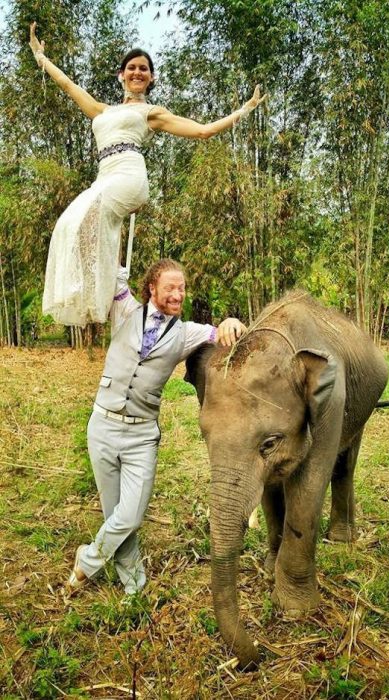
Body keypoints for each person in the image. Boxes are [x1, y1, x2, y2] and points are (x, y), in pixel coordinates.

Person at [29, 22, 266, 327]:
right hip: (104, 176)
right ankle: (111, 290)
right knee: (68, 223)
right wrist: (40, 57)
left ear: (151, 77)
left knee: (89, 212)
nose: (137, 72)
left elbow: (203, 131)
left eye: (143, 68)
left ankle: (108, 288)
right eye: (131, 67)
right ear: (121, 75)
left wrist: (243, 111)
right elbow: (68, 85)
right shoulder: (102, 111)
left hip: (128, 174)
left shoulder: (152, 112)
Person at [66, 258, 246, 597]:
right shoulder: (125, 311)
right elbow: (107, 277)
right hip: (102, 426)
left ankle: (87, 560)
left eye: (182, 288)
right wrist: (113, 260)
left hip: (141, 435)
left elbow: (218, 333)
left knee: (130, 515)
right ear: (152, 288)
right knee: (115, 512)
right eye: (170, 288)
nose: (178, 295)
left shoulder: (184, 333)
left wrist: (232, 322)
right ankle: (134, 583)